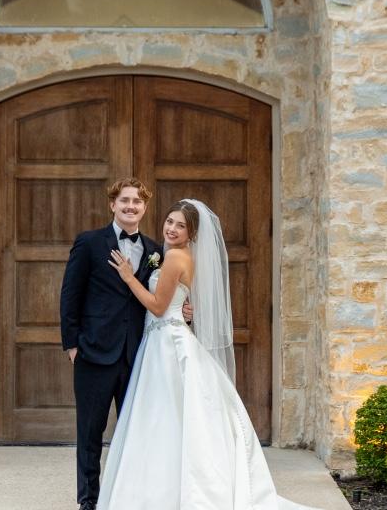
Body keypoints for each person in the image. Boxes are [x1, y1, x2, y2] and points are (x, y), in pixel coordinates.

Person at [99, 199, 322, 510]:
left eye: (180, 226)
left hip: (167, 343)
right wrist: (183, 310)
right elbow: (176, 302)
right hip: (167, 336)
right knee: (173, 417)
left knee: (163, 416)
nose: (172, 229)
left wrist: (128, 276)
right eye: (170, 221)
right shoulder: (180, 256)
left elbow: (158, 307)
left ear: (191, 233)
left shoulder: (175, 257)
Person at [60, 178, 192, 510]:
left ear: (144, 208)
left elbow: (162, 298)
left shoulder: (157, 250)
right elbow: (70, 296)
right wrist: (72, 345)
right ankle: (88, 500)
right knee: (90, 433)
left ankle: (128, 497)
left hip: (139, 357)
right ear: (113, 205)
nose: (131, 206)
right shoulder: (89, 243)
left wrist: (185, 313)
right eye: (125, 201)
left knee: (137, 433)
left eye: (137, 202)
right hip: (94, 352)